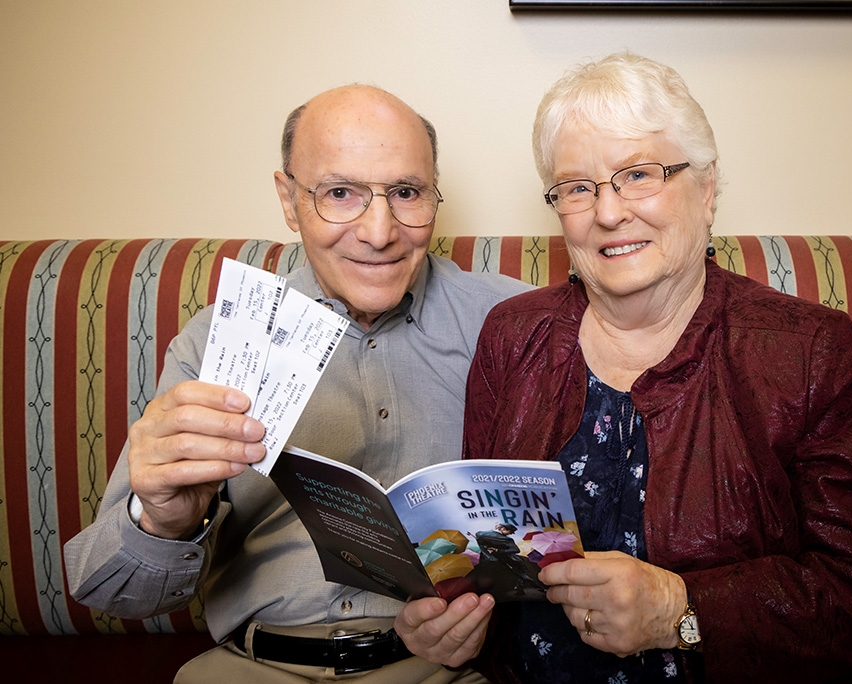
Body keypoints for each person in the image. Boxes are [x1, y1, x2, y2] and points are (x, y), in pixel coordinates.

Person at [393, 53, 852, 683]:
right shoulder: (513, 337)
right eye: (577, 187)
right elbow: (485, 561)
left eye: (639, 174)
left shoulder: (811, 353)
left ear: (705, 190)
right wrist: (455, 624)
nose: (609, 212)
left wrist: (682, 609)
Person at [64, 84, 530, 684]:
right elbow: (110, 591)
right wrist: (161, 519)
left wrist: (494, 609)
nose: (379, 231)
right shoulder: (216, 343)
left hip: (453, 668)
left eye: (407, 193)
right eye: (340, 193)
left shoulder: (515, 325)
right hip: (255, 666)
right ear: (288, 200)